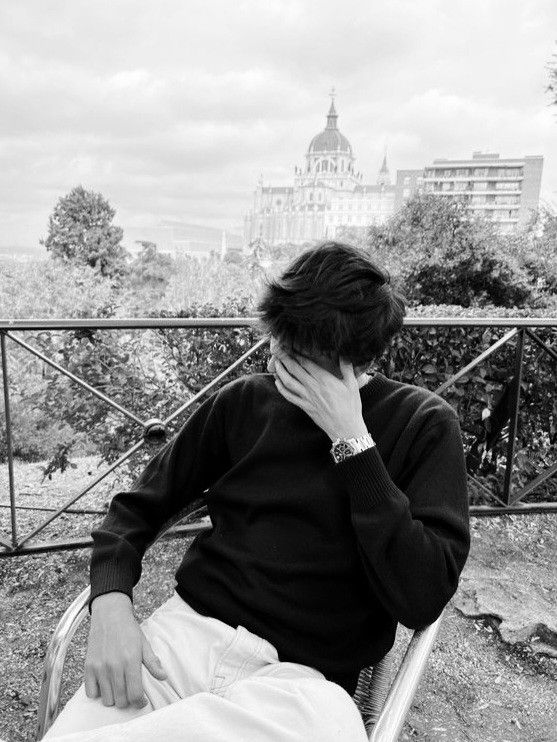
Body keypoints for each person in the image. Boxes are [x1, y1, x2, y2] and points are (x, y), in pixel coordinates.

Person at [42, 241, 471, 741]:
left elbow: (422, 597)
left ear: (364, 357)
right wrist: (111, 602)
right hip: (182, 642)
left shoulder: (423, 425)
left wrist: (352, 442)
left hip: (298, 687)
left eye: (303, 354)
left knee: (330, 728)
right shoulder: (244, 401)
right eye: (280, 339)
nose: (279, 358)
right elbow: (138, 506)